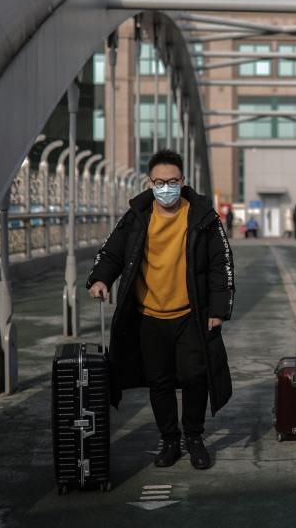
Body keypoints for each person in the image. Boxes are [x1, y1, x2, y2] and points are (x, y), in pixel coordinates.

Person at [86, 149, 234, 470]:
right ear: (150, 183)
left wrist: (219, 309)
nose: (166, 187)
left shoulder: (202, 217)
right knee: (160, 380)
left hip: (190, 315)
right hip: (149, 316)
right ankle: (169, 440)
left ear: (183, 182)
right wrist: (100, 279)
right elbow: (112, 251)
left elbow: (220, 264)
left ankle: (193, 437)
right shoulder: (138, 216)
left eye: (172, 181)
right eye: (159, 182)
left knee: (195, 376)